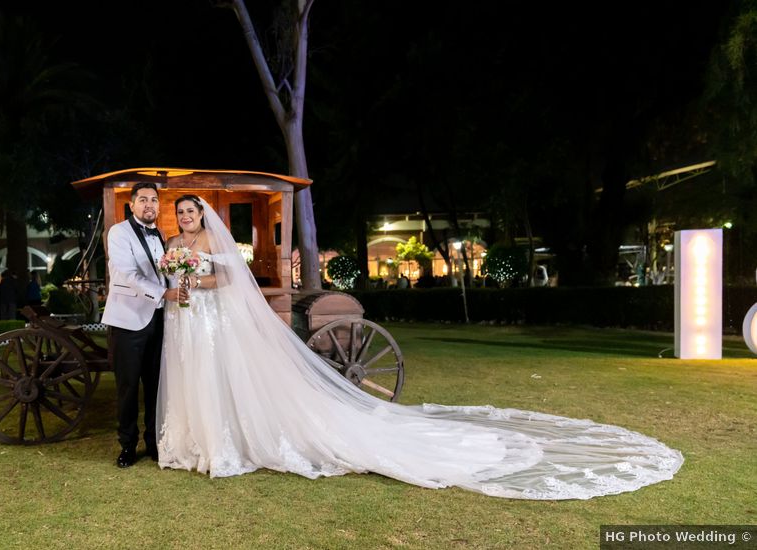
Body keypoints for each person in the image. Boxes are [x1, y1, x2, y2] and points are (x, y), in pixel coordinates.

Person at [155, 196, 683, 499]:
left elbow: (228, 284)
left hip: (213, 319)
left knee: (222, 377)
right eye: (178, 217)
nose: (184, 223)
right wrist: (174, 281)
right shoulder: (174, 248)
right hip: (187, 324)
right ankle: (193, 443)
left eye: (189, 215)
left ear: (203, 217)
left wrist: (193, 283)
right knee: (193, 378)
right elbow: (172, 278)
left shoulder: (210, 247)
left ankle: (228, 444)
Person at [101, 182, 188, 469]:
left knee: (155, 385)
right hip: (127, 321)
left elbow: (162, 273)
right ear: (132, 204)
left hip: (159, 319)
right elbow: (126, 274)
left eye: (154, 200)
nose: (149, 205)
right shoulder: (118, 232)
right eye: (143, 200)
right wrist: (164, 293)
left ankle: (153, 443)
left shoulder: (160, 235)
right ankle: (127, 446)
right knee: (127, 387)